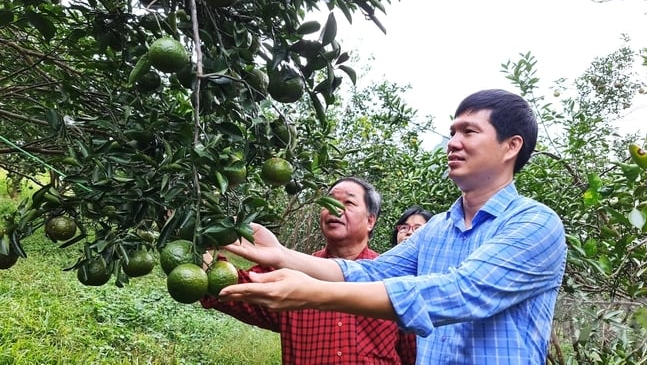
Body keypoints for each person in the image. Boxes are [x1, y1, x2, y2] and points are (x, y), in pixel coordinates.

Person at [219, 89, 568, 364]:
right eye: (452, 131)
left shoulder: (535, 224)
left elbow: (461, 292)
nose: (453, 142)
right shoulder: (437, 230)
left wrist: (313, 294)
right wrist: (283, 255)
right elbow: (372, 272)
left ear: (512, 145)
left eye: (469, 131)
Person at [200, 177, 416, 365]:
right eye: (329, 202)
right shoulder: (291, 275)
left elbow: (413, 355)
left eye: (348, 202)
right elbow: (226, 287)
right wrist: (193, 234)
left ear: (370, 220)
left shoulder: (393, 278)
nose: (334, 209)